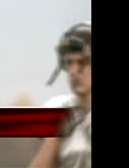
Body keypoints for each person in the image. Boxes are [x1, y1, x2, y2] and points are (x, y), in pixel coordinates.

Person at [29, 21, 91, 168]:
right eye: (69, 63)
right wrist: (53, 140)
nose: (74, 71)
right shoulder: (60, 109)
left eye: (82, 62)